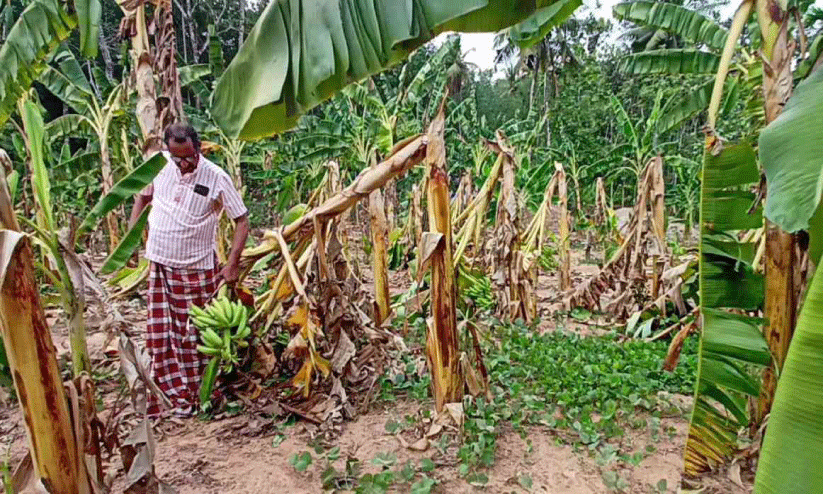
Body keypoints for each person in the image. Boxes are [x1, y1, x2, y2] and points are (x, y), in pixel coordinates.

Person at [129, 123, 250, 418]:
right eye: (177, 158)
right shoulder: (159, 166)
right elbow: (142, 199)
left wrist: (232, 262)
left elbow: (242, 220)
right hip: (160, 262)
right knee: (161, 331)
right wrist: (131, 240)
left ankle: (200, 391)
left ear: (198, 149)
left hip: (195, 266)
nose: (183, 164)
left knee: (193, 335)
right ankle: (170, 390)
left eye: (188, 157)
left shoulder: (216, 176)